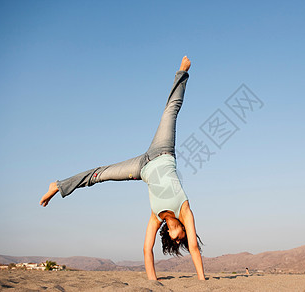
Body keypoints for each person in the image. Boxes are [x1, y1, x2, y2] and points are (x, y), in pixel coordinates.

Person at [39, 56, 205, 281]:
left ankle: (58, 186)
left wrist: (153, 283)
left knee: (101, 175)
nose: (179, 239)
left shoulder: (156, 218)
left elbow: (147, 251)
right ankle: (182, 73)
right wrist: (202, 280)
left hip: (141, 168)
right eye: (181, 238)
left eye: (175, 241)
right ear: (184, 229)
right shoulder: (185, 210)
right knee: (171, 110)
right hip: (163, 150)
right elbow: (194, 247)